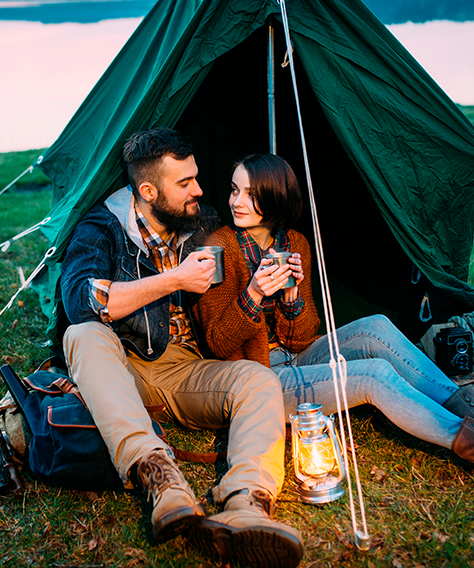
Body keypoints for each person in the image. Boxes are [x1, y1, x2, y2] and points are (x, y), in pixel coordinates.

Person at [192, 153, 474, 501]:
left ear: (275, 196)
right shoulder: (218, 246)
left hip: (296, 358)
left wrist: (294, 298)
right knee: (373, 375)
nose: (236, 201)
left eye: (249, 193)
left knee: (376, 327)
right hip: (257, 381)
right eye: (233, 190)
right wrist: (254, 294)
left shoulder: (293, 242)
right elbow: (216, 342)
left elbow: (302, 337)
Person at [60, 129, 303, 568]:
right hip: (122, 367)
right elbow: (84, 300)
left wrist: (278, 275)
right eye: (185, 183)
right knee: (81, 333)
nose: (200, 190)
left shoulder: (202, 222)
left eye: (196, 178)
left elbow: (256, 235)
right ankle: (161, 481)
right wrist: (173, 279)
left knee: (258, 379)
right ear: (148, 191)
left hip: (187, 369)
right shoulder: (100, 229)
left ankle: (247, 502)